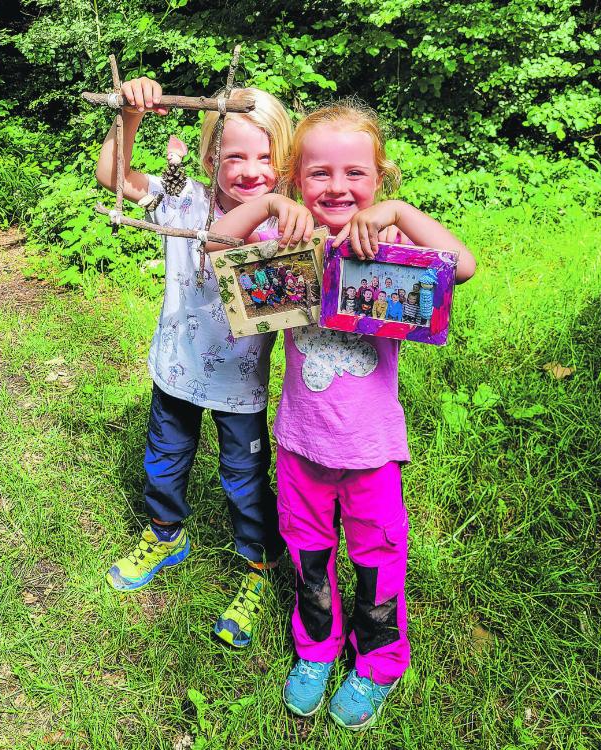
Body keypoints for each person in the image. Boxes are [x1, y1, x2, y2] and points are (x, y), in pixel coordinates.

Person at [210, 99, 475, 730]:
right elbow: (217, 245)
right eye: (319, 173)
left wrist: (398, 216)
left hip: (372, 449)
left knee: (377, 554)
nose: (337, 186)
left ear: (379, 179)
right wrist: (272, 206)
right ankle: (315, 650)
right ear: (298, 178)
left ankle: (379, 660)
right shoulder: (288, 240)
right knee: (308, 551)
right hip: (300, 442)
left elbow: (461, 266)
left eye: (355, 173)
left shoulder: (390, 243)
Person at [95, 76, 293, 649]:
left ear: (282, 163)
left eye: (266, 156)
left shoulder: (284, 227)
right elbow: (114, 177)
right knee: (165, 459)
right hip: (176, 371)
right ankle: (165, 532)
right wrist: (130, 115)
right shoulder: (184, 201)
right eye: (235, 155)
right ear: (210, 157)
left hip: (241, 388)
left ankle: (258, 565)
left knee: (245, 481)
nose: (251, 169)